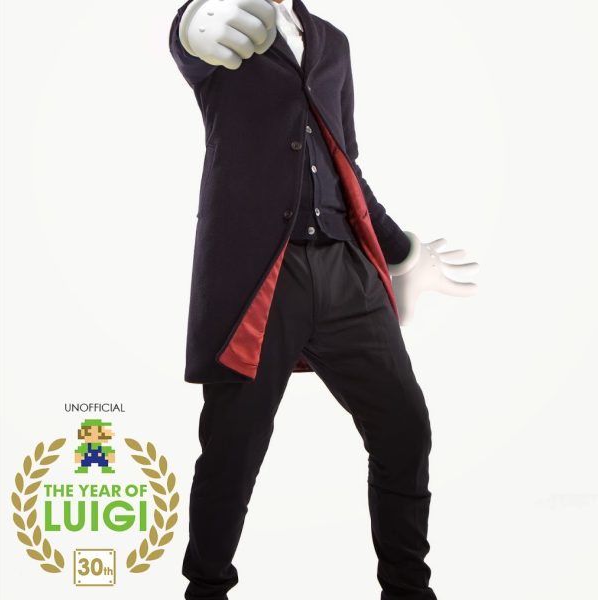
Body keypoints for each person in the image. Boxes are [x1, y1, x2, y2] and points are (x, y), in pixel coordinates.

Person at [169, 0, 478, 597]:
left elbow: (346, 162)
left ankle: (408, 589)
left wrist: (403, 251)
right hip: (258, 275)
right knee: (233, 448)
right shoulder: (226, 22)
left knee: (405, 428)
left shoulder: (333, 41)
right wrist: (191, 23)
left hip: (345, 270)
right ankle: (206, 588)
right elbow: (194, 41)